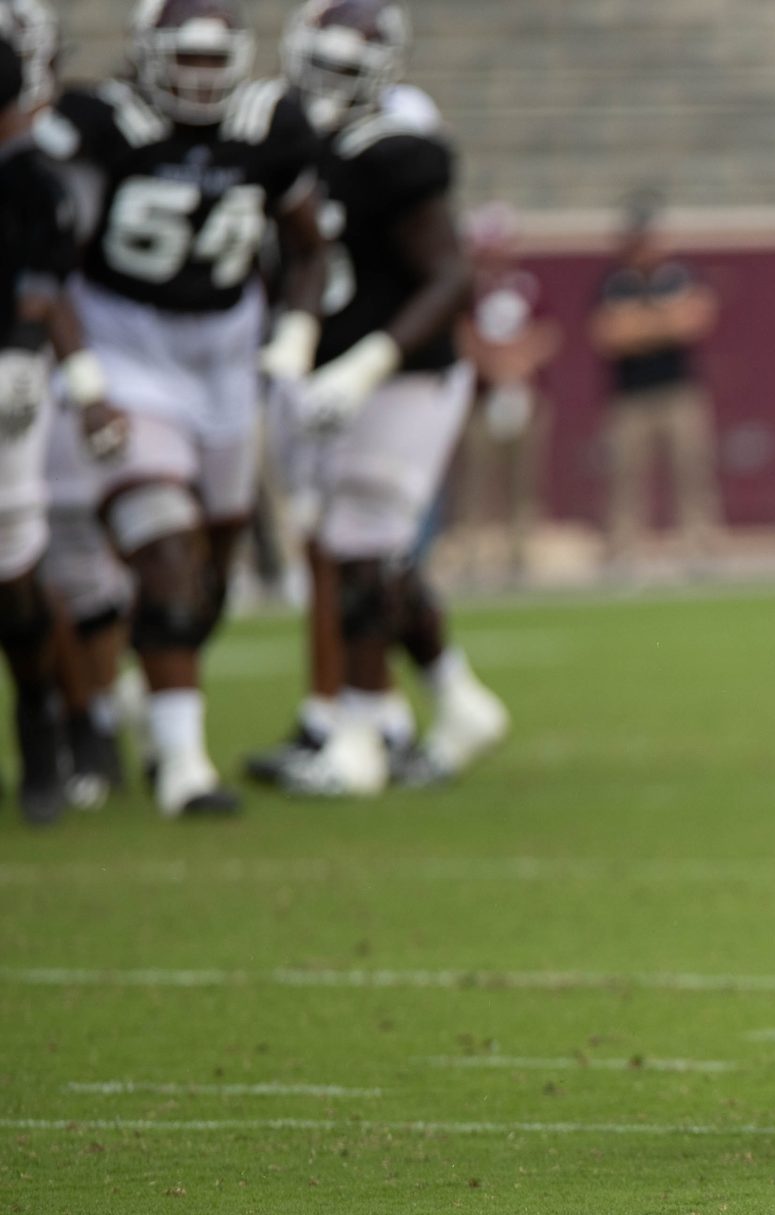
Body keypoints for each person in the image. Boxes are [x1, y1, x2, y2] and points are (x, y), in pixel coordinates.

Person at [34, 0, 328, 817]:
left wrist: (295, 334)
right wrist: (87, 384)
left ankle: (121, 700)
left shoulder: (272, 125)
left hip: (225, 362)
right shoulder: (101, 126)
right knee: (162, 551)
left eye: (213, 61)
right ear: (146, 56)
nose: (199, 79)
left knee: (205, 578)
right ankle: (184, 767)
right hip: (124, 349)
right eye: (183, 60)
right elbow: (42, 255)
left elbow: (308, 246)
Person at [245, 0, 505, 797]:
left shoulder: (397, 147)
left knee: (360, 552)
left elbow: (451, 275)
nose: (331, 86)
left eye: (350, 70)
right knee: (364, 555)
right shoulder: (279, 131)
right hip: (329, 374)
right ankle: (452, 700)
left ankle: (359, 733)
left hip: (404, 373)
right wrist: (295, 345)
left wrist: (362, 366)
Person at [0, 7, 79, 825]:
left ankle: (42, 721)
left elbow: (43, 275)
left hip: (5, 379)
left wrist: (26, 351)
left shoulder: (29, 179)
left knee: (13, 571)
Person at [591, 196, 718, 572]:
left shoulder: (680, 276)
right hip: (629, 396)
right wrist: (663, 322)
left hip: (678, 390)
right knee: (625, 476)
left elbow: (694, 320)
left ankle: (700, 546)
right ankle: (623, 549)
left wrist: (640, 325)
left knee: (692, 471)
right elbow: (609, 335)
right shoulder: (614, 283)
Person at [455, 203, 555, 588]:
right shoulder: (466, 286)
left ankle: (520, 554)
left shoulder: (529, 283)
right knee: (477, 480)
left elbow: (548, 332)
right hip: (480, 398)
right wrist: (493, 367)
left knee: (523, 481)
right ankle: (473, 556)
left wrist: (517, 365)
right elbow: (461, 333)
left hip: (525, 394)